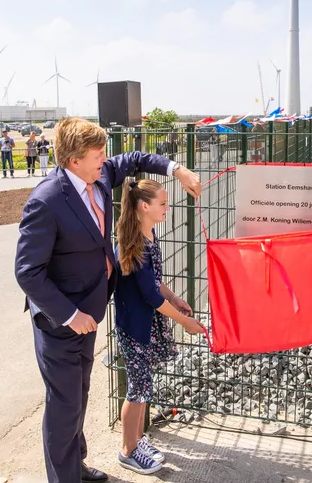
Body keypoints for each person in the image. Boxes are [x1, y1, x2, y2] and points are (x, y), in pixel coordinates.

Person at [15, 117, 201, 483]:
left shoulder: (97, 178)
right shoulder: (47, 201)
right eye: (98, 154)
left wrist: (176, 169)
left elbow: (135, 159)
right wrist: (69, 314)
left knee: (78, 396)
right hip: (61, 321)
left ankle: (76, 465)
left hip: (90, 312)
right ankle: (64, 477)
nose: (106, 159)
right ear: (74, 161)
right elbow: (27, 272)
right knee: (63, 405)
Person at [113, 179, 205, 475]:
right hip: (135, 327)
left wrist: (176, 299)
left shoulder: (149, 233)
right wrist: (185, 322)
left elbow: (155, 284)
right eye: (163, 204)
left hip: (145, 324)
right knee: (138, 390)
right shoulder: (136, 243)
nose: (168, 208)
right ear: (144, 207)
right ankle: (127, 451)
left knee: (143, 386)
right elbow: (149, 295)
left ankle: (137, 440)